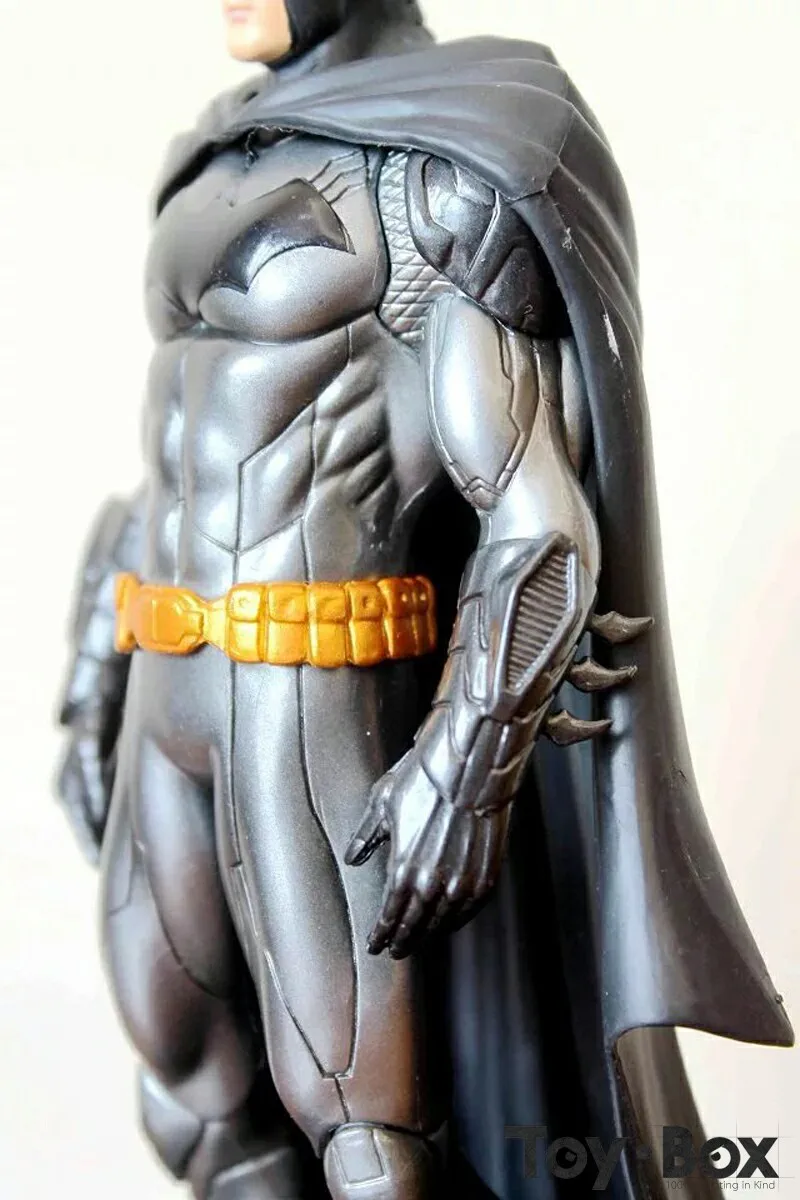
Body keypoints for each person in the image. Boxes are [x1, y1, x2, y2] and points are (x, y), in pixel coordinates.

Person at [56, 2, 792, 1197]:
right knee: (192, 1093)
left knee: (363, 1127)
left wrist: (465, 765)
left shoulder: (445, 169)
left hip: (309, 691)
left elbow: (534, 514)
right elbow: (180, 442)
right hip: (164, 682)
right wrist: (99, 647)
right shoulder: (212, 148)